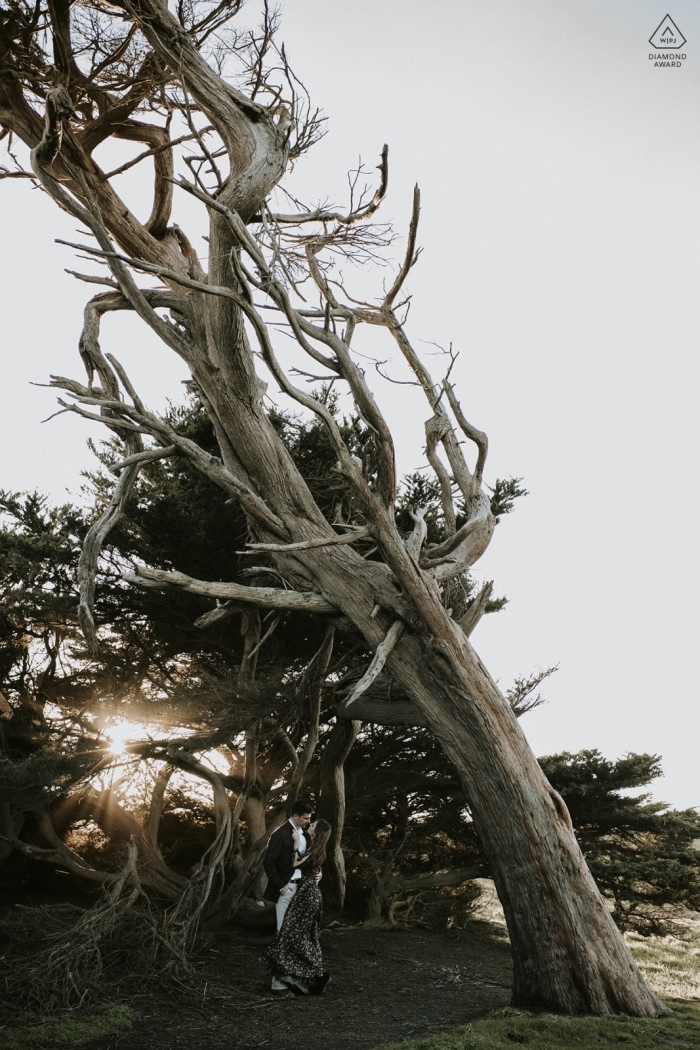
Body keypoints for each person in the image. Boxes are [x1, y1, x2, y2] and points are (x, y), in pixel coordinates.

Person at [262, 818, 332, 996]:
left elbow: (295, 863)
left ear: (317, 832)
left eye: (313, 825)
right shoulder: (317, 847)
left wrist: (295, 843)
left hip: (307, 897)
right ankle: (317, 974)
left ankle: (307, 976)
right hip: (312, 895)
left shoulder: (311, 847)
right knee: (306, 937)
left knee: (291, 935)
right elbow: (315, 868)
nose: (310, 824)